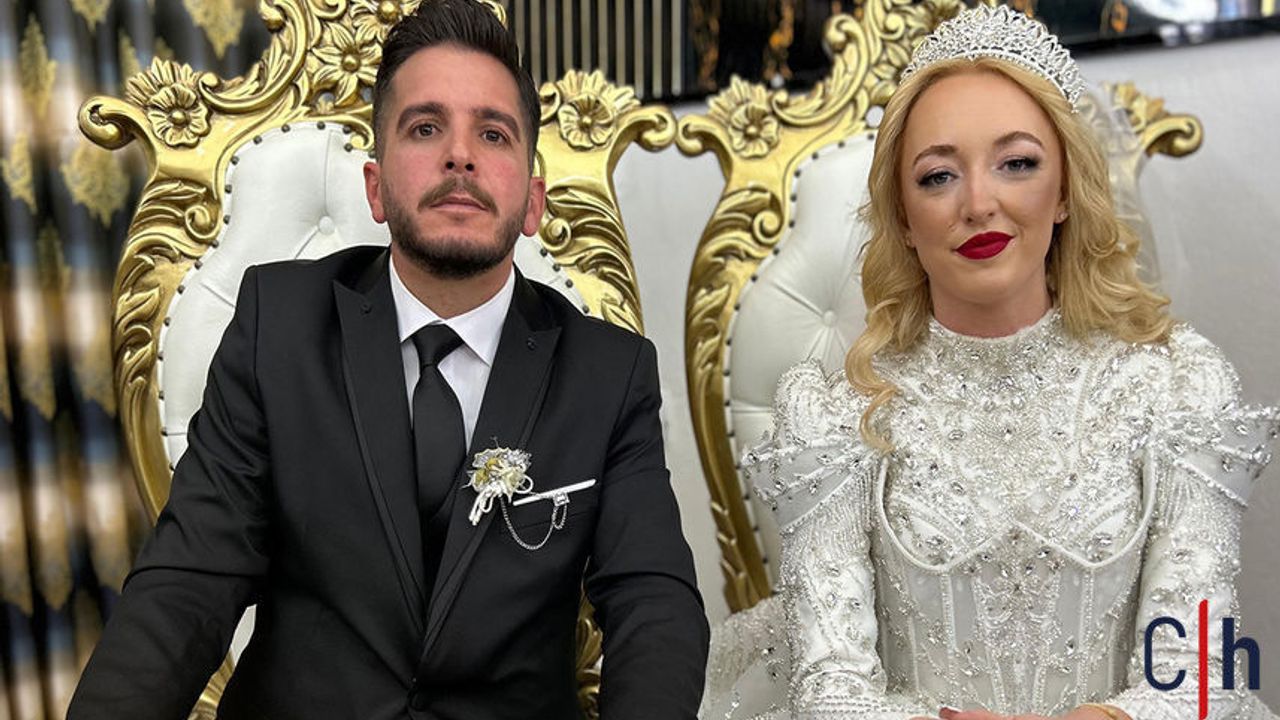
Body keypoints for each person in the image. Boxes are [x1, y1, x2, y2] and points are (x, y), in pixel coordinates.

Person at [69, 1, 709, 717]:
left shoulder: (609, 373)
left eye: (492, 133)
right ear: (375, 188)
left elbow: (655, 603)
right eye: (425, 127)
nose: (459, 155)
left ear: (533, 202)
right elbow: (189, 582)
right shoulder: (278, 326)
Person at [700, 5, 1277, 720]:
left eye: (1018, 164)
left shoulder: (1175, 388)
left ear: (1064, 189)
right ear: (903, 217)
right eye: (938, 176)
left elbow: (1201, 673)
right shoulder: (842, 416)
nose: (979, 203)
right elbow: (831, 689)